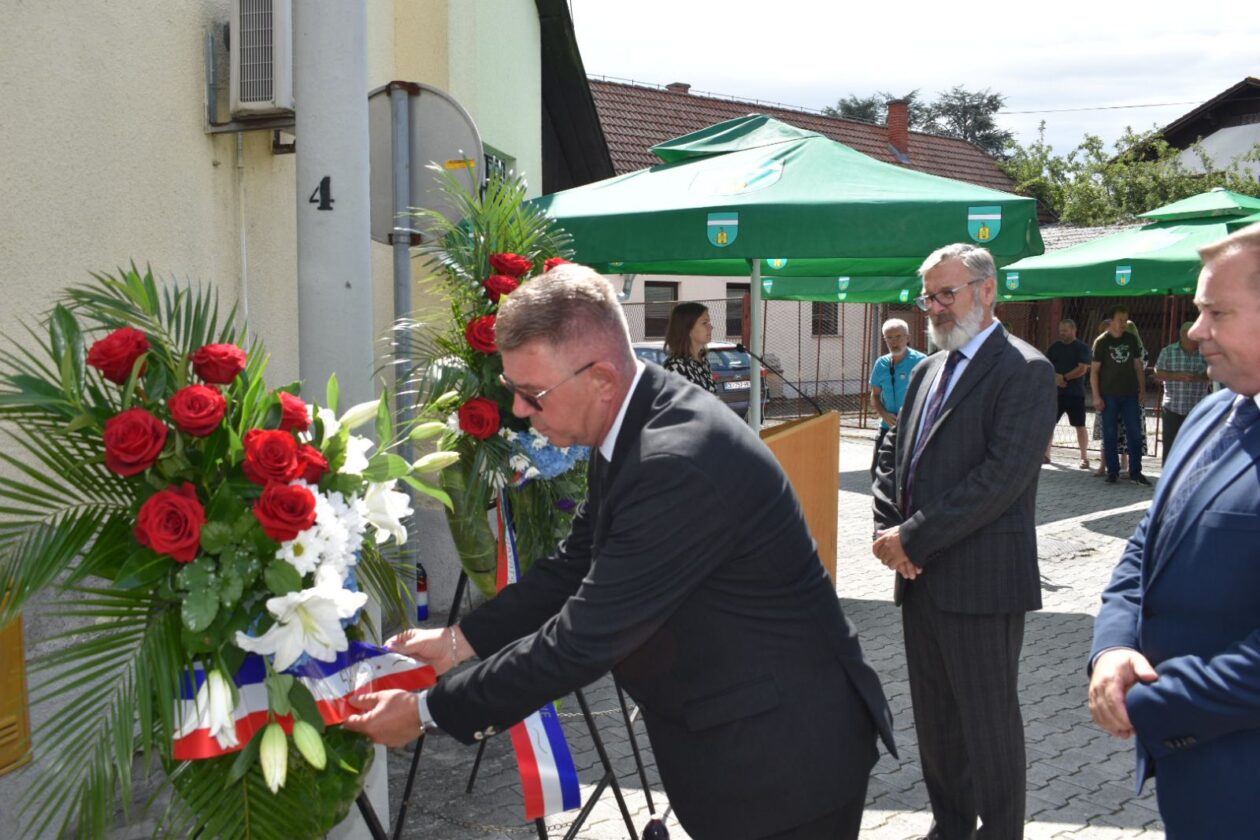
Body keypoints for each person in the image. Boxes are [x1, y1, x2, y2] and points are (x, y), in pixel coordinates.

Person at [346, 264, 896, 840]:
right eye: (513, 391)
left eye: (532, 395)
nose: (519, 412)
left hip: (781, 765)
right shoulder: (634, 417)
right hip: (737, 743)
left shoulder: (673, 460)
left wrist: (427, 712)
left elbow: (581, 641)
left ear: (602, 378)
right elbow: (575, 563)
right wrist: (457, 641)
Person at [872, 243, 1056, 840]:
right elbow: (893, 458)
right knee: (936, 725)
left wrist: (913, 539)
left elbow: (1001, 479)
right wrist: (887, 530)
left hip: (981, 582)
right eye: (928, 296)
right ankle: (949, 827)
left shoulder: (1025, 369)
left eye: (945, 294)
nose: (934, 307)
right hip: (919, 580)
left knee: (988, 725)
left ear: (987, 290)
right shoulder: (926, 370)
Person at [1088, 222, 1260, 838]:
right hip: (1193, 783)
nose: (1195, 332)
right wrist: (1112, 647)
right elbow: (1148, 543)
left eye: (1218, 312)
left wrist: (1147, 701)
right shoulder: (1214, 411)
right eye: (1198, 310)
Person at [1091, 306, 1151, 485]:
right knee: (1109, 434)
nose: (1123, 324)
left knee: (1135, 433)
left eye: (1126, 320)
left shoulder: (1131, 339)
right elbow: (1094, 371)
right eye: (1120, 320)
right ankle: (1112, 472)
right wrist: (1096, 396)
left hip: (1130, 394)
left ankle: (1136, 472)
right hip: (1108, 395)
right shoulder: (1102, 342)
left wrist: (1142, 390)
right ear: (1111, 321)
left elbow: (1138, 366)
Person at [868, 318, 927, 478]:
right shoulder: (881, 364)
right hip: (887, 428)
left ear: (908, 337)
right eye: (889, 338)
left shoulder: (921, 361)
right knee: (877, 472)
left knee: (908, 475)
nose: (894, 342)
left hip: (911, 429)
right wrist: (884, 415)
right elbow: (875, 395)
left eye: (898, 337)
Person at [1153, 320, 1211, 463]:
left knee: (1195, 446)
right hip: (1173, 408)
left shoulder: (1205, 353)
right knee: (1170, 446)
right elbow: (1157, 373)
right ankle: (1168, 474)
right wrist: (1176, 376)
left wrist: (1198, 377)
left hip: (1196, 409)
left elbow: (1213, 374)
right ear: (1185, 334)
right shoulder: (1168, 352)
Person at [1044, 318, 1093, 468]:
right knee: (1049, 424)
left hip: (1075, 393)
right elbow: (1046, 366)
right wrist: (1056, 378)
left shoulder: (1082, 348)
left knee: (1080, 425)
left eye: (1065, 331)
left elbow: (1082, 369)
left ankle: (1084, 457)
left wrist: (1064, 377)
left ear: (1073, 330)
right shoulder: (1055, 348)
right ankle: (1046, 455)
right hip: (1056, 393)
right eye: (1060, 331)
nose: (1062, 333)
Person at [661, 301, 717, 393]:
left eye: (709, 322)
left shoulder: (703, 361)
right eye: (704, 323)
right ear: (687, 328)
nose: (711, 327)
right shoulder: (674, 367)